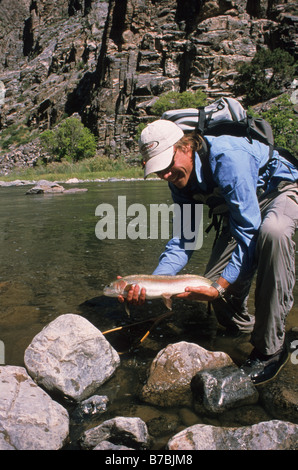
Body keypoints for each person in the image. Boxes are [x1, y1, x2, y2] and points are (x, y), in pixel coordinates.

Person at [119, 118, 298, 385]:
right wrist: (153, 283)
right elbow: (184, 240)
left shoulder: (228, 158)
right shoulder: (179, 181)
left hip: (277, 194)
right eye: (159, 170)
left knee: (273, 232)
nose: (166, 175)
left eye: (167, 165)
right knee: (212, 296)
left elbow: (248, 231)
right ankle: (254, 330)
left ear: (184, 147)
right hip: (239, 215)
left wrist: (222, 285)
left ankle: (270, 350)